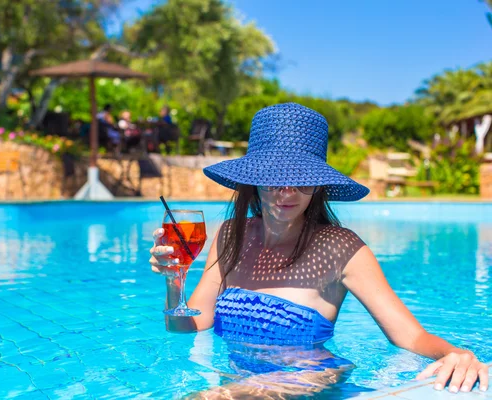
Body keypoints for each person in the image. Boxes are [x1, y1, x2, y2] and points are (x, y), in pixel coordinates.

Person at [149, 103, 488, 396]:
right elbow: (186, 326)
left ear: (319, 184)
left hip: (310, 383)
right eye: (274, 177)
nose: (288, 190)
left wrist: (454, 353)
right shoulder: (230, 235)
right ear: (254, 181)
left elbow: (410, 336)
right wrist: (173, 281)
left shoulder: (342, 248)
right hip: (236, 388)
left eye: (302, 178)